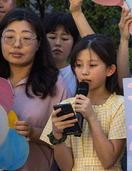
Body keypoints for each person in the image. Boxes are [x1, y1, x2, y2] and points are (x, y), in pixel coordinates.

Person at [40, 34, 126, 171]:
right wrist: (57, 135)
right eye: (79, 65)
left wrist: (91, 117)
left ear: (110, 70)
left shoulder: (121, 105)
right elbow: (66, 167)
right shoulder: (66, 106)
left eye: (92, 65)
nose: (84, 72)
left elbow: (108, 160)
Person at [0, 8, 72, 171]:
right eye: (9, 37)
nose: (16, 44)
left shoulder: (55, 85)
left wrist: (34, 132)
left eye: (26, 38)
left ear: (39, 43)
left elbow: (72, 142)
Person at [43, 11, 80, 96]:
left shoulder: (78, 74)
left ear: (74, 43)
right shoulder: (32, 70)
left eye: (64, 39)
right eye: (52, 37)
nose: (58, 43)